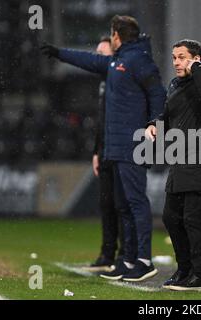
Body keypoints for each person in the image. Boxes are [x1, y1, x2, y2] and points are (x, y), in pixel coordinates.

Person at [40, 15, 166, 282]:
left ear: (117, 35)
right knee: (122, 206)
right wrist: (59, 54)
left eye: (111, 33)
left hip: (133, 145)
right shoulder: (117, 61)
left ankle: (144, 259)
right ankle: (129, 258)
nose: (110, 38)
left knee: (135, 202)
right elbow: (89, 61)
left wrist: (155, 122)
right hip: (117, 147)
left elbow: (157, 92)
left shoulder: (138, 60)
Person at [145, 39, 201, 291]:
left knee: (192, 218)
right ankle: (184, 269)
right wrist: (154, 124)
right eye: (174, 58)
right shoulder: (176, 84)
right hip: (181, 159)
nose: (176, 62)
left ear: (196, 59)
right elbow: (169, 115)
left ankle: (199, 276)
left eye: (181, 57)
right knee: (171, 217)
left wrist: (197, 68)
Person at [83, 36, 124, 272]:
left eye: (102, 52)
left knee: (122, 204)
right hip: (106, 150)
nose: (98, 56)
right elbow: (102, 121)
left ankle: (126, 255)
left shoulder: (122, 79)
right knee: (107, 204)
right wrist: (96, 151)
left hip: (120, 151)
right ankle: (108, 254)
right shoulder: (103, 81)